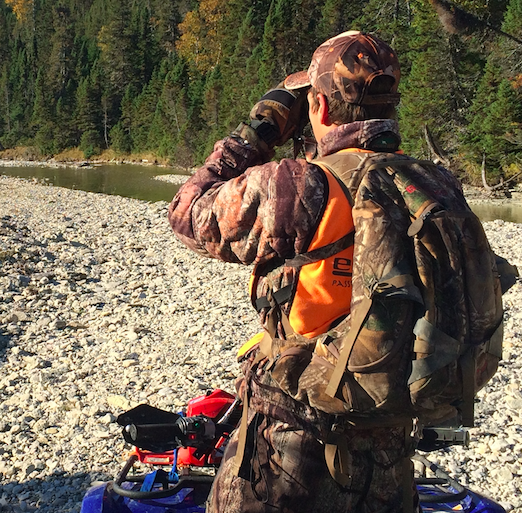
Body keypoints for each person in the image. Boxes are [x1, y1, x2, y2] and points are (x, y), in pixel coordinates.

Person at [168, 31, 437, 513]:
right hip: (390, 453)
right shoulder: (431, 183)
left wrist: (259, 131)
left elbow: (187, 215)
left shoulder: (295, 183)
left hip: (290, 451)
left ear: (320, 106)